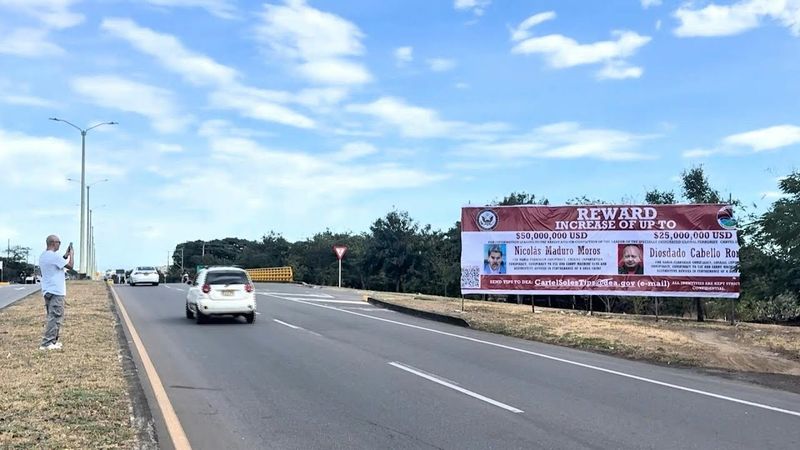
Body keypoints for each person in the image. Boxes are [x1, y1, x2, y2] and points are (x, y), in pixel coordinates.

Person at [39, 235, 73, 350]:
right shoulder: (53, 256)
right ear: (54, 243)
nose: (59, 244)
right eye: (59, 242)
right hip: (56, 291)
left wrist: (65, 255)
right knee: (55, 317)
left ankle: (52, 341)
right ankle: (47, 343)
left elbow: (59, 263)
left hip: (47, 290)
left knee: (52, 316)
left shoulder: (44, 255)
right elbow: (70, 266)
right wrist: (71, 255)